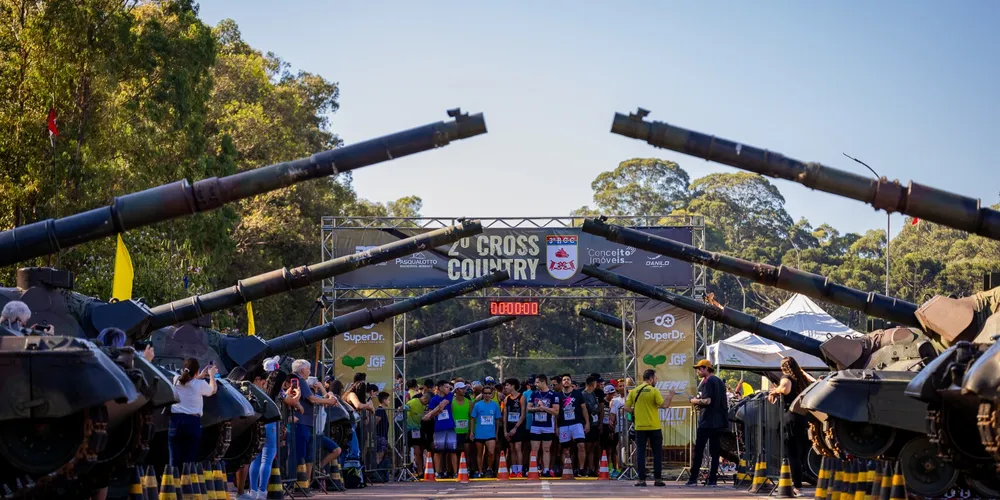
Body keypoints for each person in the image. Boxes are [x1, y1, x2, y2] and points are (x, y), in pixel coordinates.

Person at [768, 356, 815, 496]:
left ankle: (796, 487)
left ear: (784, 367)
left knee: (791, 454)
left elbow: (785, 388)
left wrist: (775, 391)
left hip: (790, 419)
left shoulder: (786, 377)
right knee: (798, 454)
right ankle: (791, 484)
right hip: (802, 419)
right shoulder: (801, 379)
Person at [289, 359, 339, 482]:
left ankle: (306, 484)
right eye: (308, 369)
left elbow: (314, 398)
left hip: (307, 423)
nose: (309, 372)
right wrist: (329, 401)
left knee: (308, 455)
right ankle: (300, 483)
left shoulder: (300, 381)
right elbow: (312, 399)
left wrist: (326, 397)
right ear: (302, 370)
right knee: (301, 454)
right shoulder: (299, 380)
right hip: (301, 423)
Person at [625, 368, 674, 487]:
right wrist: (671, 395)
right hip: (654, 427)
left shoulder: (635, 391)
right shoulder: (654, 391)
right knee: (657, 453)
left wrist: (635, 412)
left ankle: (641, 479)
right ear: (651, 379)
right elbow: (664, 405)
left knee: (641, 453)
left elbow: (626, 407)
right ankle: (658, 479)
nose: (656, 380)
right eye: (656, 378)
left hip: (640, 427)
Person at [686, 359, 728, 487]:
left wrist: (694, 400)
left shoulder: (708, 381)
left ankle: (693, 478)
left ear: (706, 368)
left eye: (699, 369)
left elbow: (708, 401)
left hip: (707, 422)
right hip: (719, 421)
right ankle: (712, 479)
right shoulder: (719, 382)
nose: (698, 371)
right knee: (715, 452)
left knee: (698, 450)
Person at [168, 358, 218, 466]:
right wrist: (212, 375)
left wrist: (198, 376)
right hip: (192, 423)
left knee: (174, 459)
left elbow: (187, 381)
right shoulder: (200, 384)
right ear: (196, 371)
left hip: (175, 422)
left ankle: (172, 481)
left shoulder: (176, 379)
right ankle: (185, 482)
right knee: (188, 460)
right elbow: (212, 390)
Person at [246, 366, 281, 500]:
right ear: (259, 379)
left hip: (254, 424)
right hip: (269, 423)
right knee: (267, 459)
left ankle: (253, 490)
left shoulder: (247, 389)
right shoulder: (268, 391)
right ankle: (262, 491)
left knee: (255, 458)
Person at [527, 373, 560, 478]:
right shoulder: (534, 394)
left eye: (537, 382)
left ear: (543, 382)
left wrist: (544, 408)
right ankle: (533, 468)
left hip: (548, 426)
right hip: (535, 425)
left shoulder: (553, 394)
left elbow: (556, 411)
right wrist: (537, 408)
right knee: (534, 449)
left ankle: (546, 469)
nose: (536, 384)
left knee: (546, 449)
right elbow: (529, 408)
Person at [557, 374, 589, 477]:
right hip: (563, 424)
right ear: (562, 382)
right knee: (565, 448)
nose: (566, 381)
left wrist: (587, 422)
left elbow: (584, 409)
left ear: (571, 381)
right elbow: (555, 412)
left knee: (581, 445)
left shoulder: (578, 394)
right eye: (564, 379)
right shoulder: (558, 395)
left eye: (568, 379)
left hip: (577, 423)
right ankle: (567, 469)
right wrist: (555, 427)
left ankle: (581, 469)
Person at [424, 380, 457, 479]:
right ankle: (438, 472)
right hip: (439, 428)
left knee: (452, 451)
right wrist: (437, 410)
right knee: (438, 451)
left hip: (450, 427)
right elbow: (431, 414)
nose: (448, 389)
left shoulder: (450, 396)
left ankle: (455, 472)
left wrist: (438, 408)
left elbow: (444, 403)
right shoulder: (434, 399)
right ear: (441, 388)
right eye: (446, 387)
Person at [470, 384, 500, 478]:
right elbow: (472, 418)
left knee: (491, 452)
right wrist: (471, 432)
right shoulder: (478, 405)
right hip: (479, 433)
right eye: (485, 393)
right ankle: (480, 471)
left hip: (490, 433)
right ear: (482, 394)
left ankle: (489, 469)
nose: (487, 395)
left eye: (489, 393)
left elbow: (497, 420)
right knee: (479, 453)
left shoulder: (495, 405)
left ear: (491, 394)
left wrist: (496, 433)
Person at [501, 377, 526, 478]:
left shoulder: (521, 397)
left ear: (513, 386)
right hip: (509, 425)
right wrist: (505, 431)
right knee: (511, 449)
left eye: (507, 385)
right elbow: (505, 415)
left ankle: (520, 470)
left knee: (518, 448)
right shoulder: (507, 398)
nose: (505, 387)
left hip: (518, 426)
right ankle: (514, 470)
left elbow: (523, 415)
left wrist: (515, 428)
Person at [405, 388, 431, 476]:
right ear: (424, 399)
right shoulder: (414, 401)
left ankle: (420, 471)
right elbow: (404, 408)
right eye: (427, 402)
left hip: (417, 430)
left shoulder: (424, 406)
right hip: (408, 429)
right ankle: (406, 470)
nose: (427, 405)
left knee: (418, 450)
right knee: (406, 450)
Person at [581, 375, 603, 476]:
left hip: (595, 423)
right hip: (587, 423)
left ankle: (594, 468)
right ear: (592, 384)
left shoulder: (593, 394)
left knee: (595, 446)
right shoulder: (583, 394)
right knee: (588, 447)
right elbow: (589, 407)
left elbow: (597, 407)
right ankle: (588, 468)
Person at [599, 384, 619, 478]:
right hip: (604, 427)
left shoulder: (615, 402)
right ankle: (608, 467)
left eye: (613, 393)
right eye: (609, 394)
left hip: (614, 427)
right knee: (607, 450)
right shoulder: (602, 402)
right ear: (606, 394)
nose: (611, 395)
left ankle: (616, 468)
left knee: (614, 449)